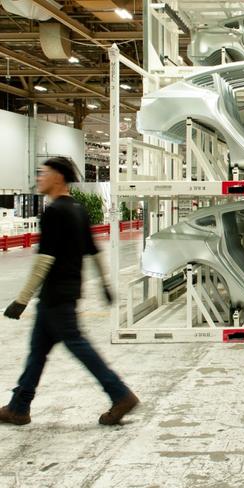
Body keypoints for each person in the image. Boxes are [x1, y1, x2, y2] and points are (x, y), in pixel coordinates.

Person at [1, 157, 139, 426]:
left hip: (56, 297)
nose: (39, 178)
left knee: (79, 346)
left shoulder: (55, 212)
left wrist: (21, 300)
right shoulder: (78, 209)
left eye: (44, 173)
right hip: (65, 293)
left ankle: (120, 394)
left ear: (58, 177)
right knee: (37, 352)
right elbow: (94, 250)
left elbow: (44, 260)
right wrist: (105, 284)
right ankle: (19, 406)